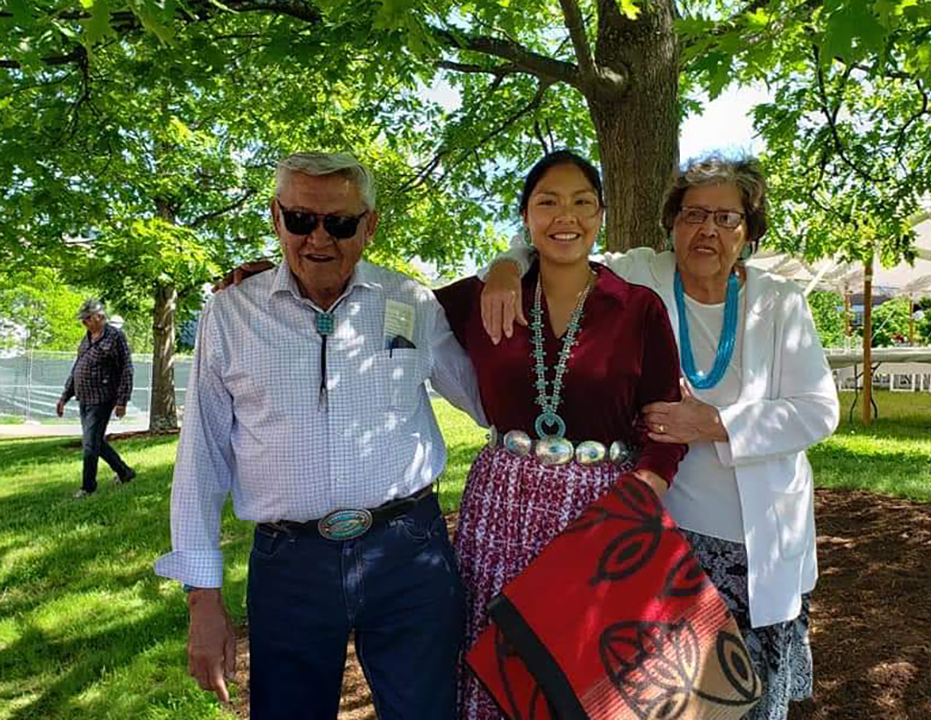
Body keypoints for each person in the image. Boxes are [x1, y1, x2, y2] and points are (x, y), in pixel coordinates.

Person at [481, 152, 840, 720]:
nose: (708, 230)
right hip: (666, 535)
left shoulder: (780, 303)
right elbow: (561, 243)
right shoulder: (638, 274)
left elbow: (819, 411)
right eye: (695, 214)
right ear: (672, 222)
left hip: (758, 540)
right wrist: (505, 263)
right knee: (659, 701)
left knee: (747, 699)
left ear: (749, 231)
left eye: (727, 218)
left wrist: (716, 423)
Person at [154, 152, 486, 720]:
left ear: (371, 225)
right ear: (275, 216)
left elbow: (487, 401)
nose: (319, 240)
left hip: (409, 552)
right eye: (301, 220)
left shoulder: (409, 302)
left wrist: (513, 263)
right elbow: (202, 457)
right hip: (290, 565)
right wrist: (203, 599)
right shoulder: (230, 313)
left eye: (341, 223)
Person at [434, 150, 686, 720]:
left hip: (602, 509)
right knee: (500, 663)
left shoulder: (635, 306)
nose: (564, 216)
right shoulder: (483, 297)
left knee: (591, 675)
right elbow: (387, 306)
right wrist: (264, 274)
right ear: (525, 215)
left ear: (601, 215)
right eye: (547, 202)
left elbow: (665, 418)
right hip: (503, 506)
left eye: (581, 203)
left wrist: (643, 494)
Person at [56, 298, 136, 499]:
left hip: (103, 398)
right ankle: (125, 472)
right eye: (82, 320)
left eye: (86, 319)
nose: (83, 323)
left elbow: (126, 369)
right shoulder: (86, 339)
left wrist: (122, 400)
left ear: (99, 317)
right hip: (84, 397)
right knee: (95, 442)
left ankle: (88, 487)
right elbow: (77, 369)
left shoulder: (115, 337)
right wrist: (64, 397)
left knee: (90, 444)